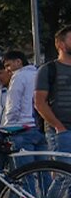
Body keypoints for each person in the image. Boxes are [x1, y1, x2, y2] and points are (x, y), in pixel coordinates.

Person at [35, 26, 71, 159]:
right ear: (61, 44)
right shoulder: (48, 69)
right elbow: (39, 103)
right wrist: (59, 127)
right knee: (64, 176)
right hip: (62, 132)